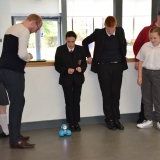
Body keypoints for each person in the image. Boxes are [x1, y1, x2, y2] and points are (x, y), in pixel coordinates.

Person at [0, 14, 43, 149]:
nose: (35, 31)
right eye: (37, 28)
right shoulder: (24, 30)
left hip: (3, 70)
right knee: (17, 104)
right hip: (14, 72)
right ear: (34, 23)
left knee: (17, 102)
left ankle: (15, 134)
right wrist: (29, 56)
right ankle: (15, 140)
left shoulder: (12, 28)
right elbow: (22, 54)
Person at [82, 16, 128, 130]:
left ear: (115, 25)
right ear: (105, 25)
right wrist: (88, 56)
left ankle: (116, 118)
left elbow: (124, 43)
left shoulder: (120, 31)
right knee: (106, 93)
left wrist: (123, 55)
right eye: (108, 29)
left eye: (112, 29)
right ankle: (109, 119)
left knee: (116, 93)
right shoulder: (99, 33)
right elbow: (85, 42)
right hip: (103, 67)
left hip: (118, 65)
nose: (111, 31)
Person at [55, 31, 87, 132]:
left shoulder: (81, 49)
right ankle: (71, 123)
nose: (71, 44)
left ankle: (76, 122)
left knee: (76, 101)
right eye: (69, 42)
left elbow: (84, 64)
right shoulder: (60, 50)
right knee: (69, 101)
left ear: (75, 40)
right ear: (66, 40)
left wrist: (81, 69)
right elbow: (57, 66)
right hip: (66, 79)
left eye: (72, 41)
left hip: (78, 79)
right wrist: (66, 70)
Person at [133, 11, 160, 124]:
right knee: (146, 98)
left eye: (155, 38)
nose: (152, 40)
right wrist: (139, 75)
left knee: (157, 98)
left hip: (157, 74)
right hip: (146, 73)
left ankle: (158, 120)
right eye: (151, 38)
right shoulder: (145, 45)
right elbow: (140, 58)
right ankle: (147, 119)